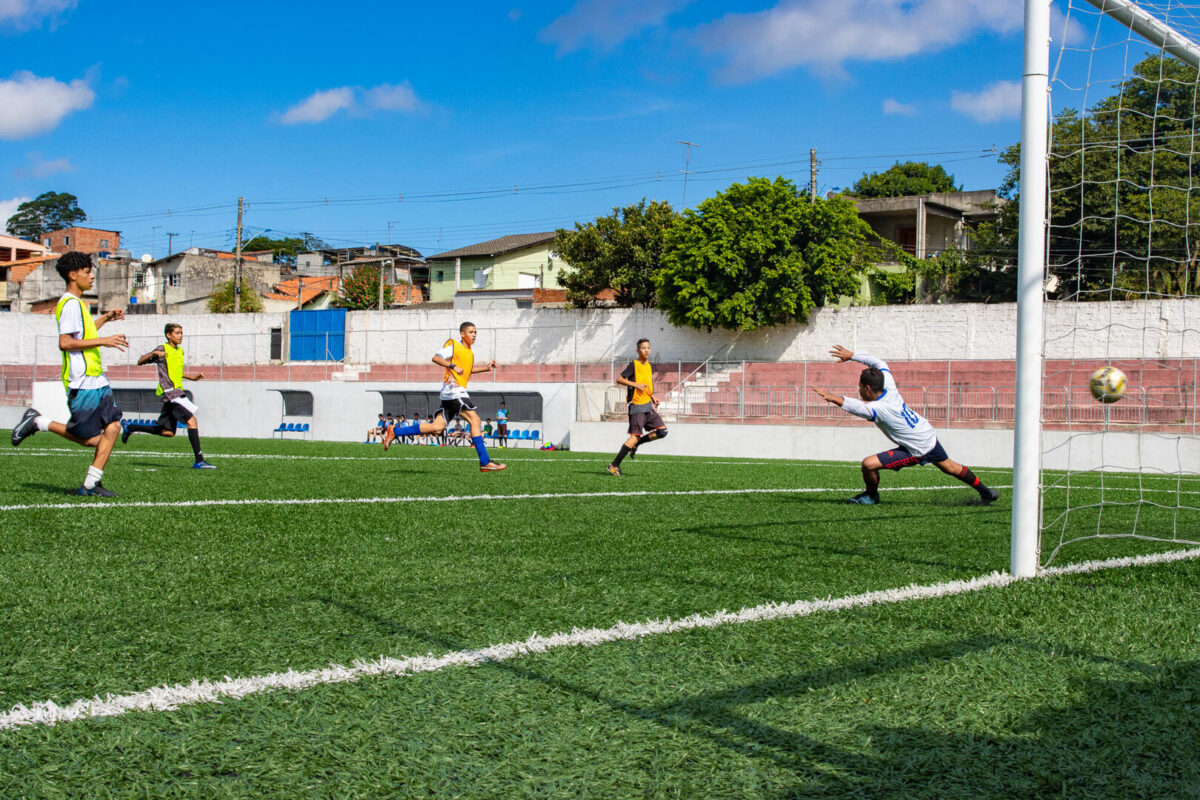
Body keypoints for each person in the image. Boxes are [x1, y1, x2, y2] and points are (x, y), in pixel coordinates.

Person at [811, 345, 1000, 505]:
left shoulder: (880, 408)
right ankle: (987, 493)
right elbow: (880, 364)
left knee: (868, 465)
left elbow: (856, 406)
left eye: (860, 387)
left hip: (917, 448)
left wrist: (832, 398)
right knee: (950, 467)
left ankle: (871, 495)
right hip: (925, 433)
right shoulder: (889, 386)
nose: (858, 389)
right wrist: (852, 356)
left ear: (868, 388)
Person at [11, 252, 128, 496]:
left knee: (114, 427)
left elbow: (83, 335)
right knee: (91, 439)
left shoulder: (79, 304)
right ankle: (38, 422)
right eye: (87, 271)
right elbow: (65, 343)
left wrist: (105, 318)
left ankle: (90, 485)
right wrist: (104, 341)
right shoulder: (70, 304)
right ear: (73, 275)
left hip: (97, 379)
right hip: (83, 382)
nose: (92, 275)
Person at [382, 322, 506, 471]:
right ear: (462, 334)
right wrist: (452, 366)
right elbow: (436, 358)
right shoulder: (454, 345)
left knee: (437, 427)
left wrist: (486, 368)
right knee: (476, 420)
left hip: (452, 392)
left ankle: (394, 431)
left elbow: (466, 370)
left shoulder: (469, 352)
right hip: (454, 390)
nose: (474, 335)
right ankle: (485, 462)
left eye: (475, 333)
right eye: (471, 332)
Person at [120, 323, 215, 469]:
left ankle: (131, 427)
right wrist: (153, 354)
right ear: (168, 335)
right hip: (171, 394)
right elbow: (140, 361)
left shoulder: (180, 351)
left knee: (168, 432)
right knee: (192, 421)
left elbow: (177, 371)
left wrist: (193, 378)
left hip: (177, 392)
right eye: (177, 333)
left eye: (181, 333)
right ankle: (199, 460)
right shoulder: (162, 349)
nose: (180, 335)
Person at [607, 337, 668, 477]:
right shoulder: (634, 364)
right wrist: (635, 385)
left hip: (648, 405)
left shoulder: (649, 366)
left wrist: (653, 397)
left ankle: (637, 444)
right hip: (637, 406)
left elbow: (646, 385)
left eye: (648, 348)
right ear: (638, 350)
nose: (646, 350)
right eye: (643, 348)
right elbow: (619, 379)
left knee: (662, 431)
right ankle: (614, 465)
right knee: (634, 436)